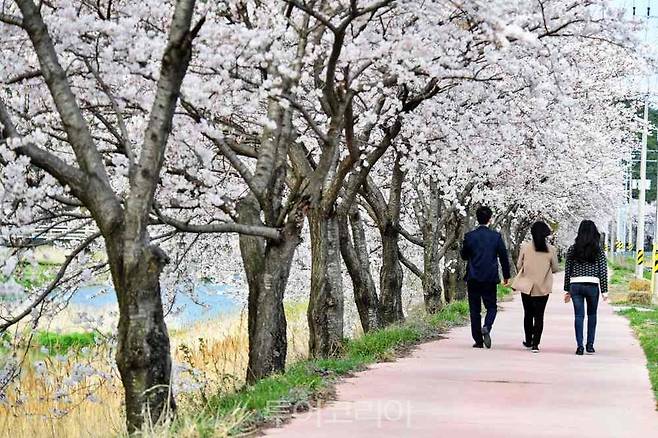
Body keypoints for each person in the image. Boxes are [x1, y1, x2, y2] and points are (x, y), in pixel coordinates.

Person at [461, 206, 511, 349]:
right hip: (490, 277)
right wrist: (506, 276)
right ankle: (487, 326)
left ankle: (478, 340)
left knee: (474, 309)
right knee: (491, 307)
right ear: (490, 219)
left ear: (477, 218)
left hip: (473, 277)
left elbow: (464, 256)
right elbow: (503, 257)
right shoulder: (496, 237)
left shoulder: (469, 236)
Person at [563, 220, 608, 356]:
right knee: (592, 315)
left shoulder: (573, 249)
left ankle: (579, 346)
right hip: (592, 285)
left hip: (576, 285)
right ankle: (590, 345)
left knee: (579, 315)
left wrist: (567, 290)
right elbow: (603, 270)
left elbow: (568, 270)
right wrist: (604, 290)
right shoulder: (598, 250)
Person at [514, 221, 559, 353]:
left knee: (528, 314)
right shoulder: (551, 249)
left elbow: (518, 265)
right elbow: (555, 268)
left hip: (527, 285)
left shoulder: (525, 247)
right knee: (539, 315)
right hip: (543, 286)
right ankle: (535, 344)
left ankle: (528, 340)